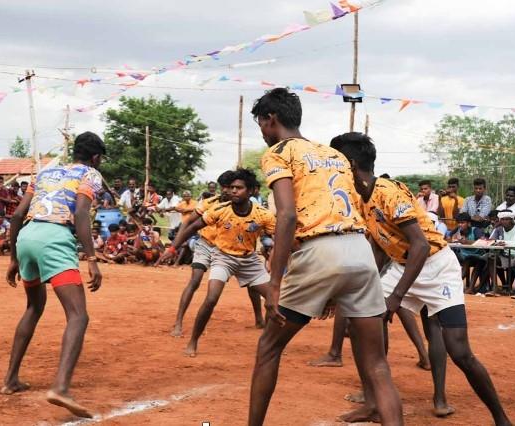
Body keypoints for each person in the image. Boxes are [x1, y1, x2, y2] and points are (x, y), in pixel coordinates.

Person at [331, 132, 511, 425]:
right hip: (405, 266)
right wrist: (370, 285)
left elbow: (421, 245)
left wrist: (395, 296)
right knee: (361, 318)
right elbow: (380, 245)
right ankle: (373, 402)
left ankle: (501, 419)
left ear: (350, 164)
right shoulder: (357, 197)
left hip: (436, 265)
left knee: (460, 351)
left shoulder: (389, 192)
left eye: (335, 162)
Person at [248, 88, 402, 425]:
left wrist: (274, 281)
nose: (261, 131)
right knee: (377, 364)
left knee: (269, 349)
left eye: (260, 123)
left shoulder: (279, 152)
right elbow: (357, 193)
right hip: (360, 251)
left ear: (271, 119)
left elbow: (287, 215)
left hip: (319, 250)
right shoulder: (333, 154)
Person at [2, 131, 105, 418]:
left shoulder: (46, 171)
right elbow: (82, 213)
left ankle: (10, 380)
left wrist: (13, 257)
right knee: (78, 315)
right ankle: (60, 387)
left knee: (34, 307)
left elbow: (17, 215)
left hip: (27, 238)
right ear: (96, 157)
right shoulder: (91, 174)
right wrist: (92, 258)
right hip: (55, 239)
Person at [160, 168, 273, 357]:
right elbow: (192, 226)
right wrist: (173, 248)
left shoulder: (264, 215)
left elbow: (281, 237)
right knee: (211, 298)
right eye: (231, 187)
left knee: (274, 300)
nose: (233, 191)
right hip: (223, 257)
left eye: (238, 188)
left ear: (252, 191)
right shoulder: (218, 209)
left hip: (249, 259)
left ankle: (269, 343)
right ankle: (193, 341)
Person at [161, 171, 236, 337]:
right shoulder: (208, 203)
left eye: (230, 187)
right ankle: (178, 322)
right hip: (205, 245)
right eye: (223, 186)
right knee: (194, 281)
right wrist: (173, 247)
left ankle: (260, 318)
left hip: (227, 249)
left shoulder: (240, 205)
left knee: (252, 282)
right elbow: (188, 222)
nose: (226, 190)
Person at [489, 211, 515, 296]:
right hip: (505, 256)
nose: (505, 221)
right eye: (502, 219)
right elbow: (490, 241)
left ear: (512, 220)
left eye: (507, 219)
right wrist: (495, 230)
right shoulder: (499, 229)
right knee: (491, 258)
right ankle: (495, 288)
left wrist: (501, 242)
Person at [449, 212, 487, 293]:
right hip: (463, 255)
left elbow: (484, 241)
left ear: (469, 223)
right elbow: (448, 238)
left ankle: (469, 287)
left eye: (462, 223)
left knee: (473, 260)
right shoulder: (457, 230)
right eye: (458, 223)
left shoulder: (476, 230)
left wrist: (468, 242)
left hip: (478, 255)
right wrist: (453, 239)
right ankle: (454, 284)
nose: (460, 225)